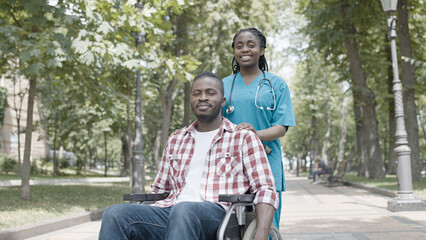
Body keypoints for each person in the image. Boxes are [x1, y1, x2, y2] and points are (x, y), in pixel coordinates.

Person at [99, 72, 278, 240]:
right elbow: (159, 190)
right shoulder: (176, 140)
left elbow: (265, 189)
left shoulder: (243, 137)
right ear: (191, 99)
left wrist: (261, 233)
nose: (202, 97)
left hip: (220, 215)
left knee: (183, 210)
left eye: (210, 93)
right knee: (114, 214)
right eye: (197, 93)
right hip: (171, 211)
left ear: (223, 101)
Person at [222, 27, 296, 229]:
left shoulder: (276, 84)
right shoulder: (222, 85)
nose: (244, 50)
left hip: (267, 162)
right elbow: (215, 124)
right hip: (230, 163)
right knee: (230, 225)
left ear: (261, 50)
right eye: (239, 46)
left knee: (265, 226)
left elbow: (281, 127)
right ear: (234, 51)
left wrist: (253, 135)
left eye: (251, 45)